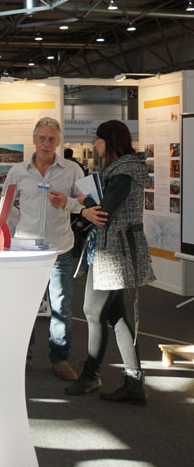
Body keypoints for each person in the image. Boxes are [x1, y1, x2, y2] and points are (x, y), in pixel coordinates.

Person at [65, 120, 154, 404]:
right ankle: (133, 382)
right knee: (115, 316)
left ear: (110, 141)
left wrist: (82, 201)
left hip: (114, 253)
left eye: (98, 139)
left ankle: (92, 375)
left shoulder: (124, 172)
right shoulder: (122, 171)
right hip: (112, 250)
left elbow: (104, 213)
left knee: (92, 310)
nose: (94, 144)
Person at [1, 117, 85, 381]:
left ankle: (60, 358)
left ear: (58, 141)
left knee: (62, 306)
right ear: (34, 139)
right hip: (25, 249)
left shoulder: (72, 170)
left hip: (58, 249)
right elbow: (5, 203)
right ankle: (22, 356)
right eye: (41, 138)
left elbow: (86, 202)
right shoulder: (18, 171)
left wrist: (67, 202)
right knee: (24, 306)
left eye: (51, 139)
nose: (46, 143)